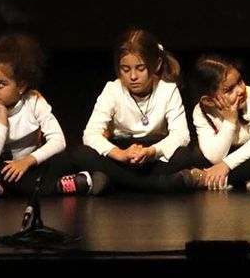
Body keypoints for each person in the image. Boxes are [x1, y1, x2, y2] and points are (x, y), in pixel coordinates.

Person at [65, 30, 197, 194]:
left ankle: (113, 180)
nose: (132, 76)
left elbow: (181, 135)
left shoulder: (168, 90)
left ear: (156, 65)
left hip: (153, 152)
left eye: (140, 68)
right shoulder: (112, 89)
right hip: (122, 151)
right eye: (125, 69)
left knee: (184, 156)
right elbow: (91, 133)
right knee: (81, 154)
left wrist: (151, 152)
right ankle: (159, 184)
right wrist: (120, 154)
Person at [0, 33, 69, 199]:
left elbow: (58, 140)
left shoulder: (34, 101)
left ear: (21, 86)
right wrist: (2, 116)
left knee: (66, 159)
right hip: (1, 167)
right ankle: (56, 187)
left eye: (1, 85)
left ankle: (2, 189)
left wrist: (27, 161)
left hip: (30, 165)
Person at [182, 54, 250, 191]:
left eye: (240, 81)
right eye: (229, 90)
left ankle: (210, 180)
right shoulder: (201, 112)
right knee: (198, 155)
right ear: (208, 100)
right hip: (227, 154)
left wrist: (226, 165)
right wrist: (230, 121)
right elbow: (215, 157)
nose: (240, 90)